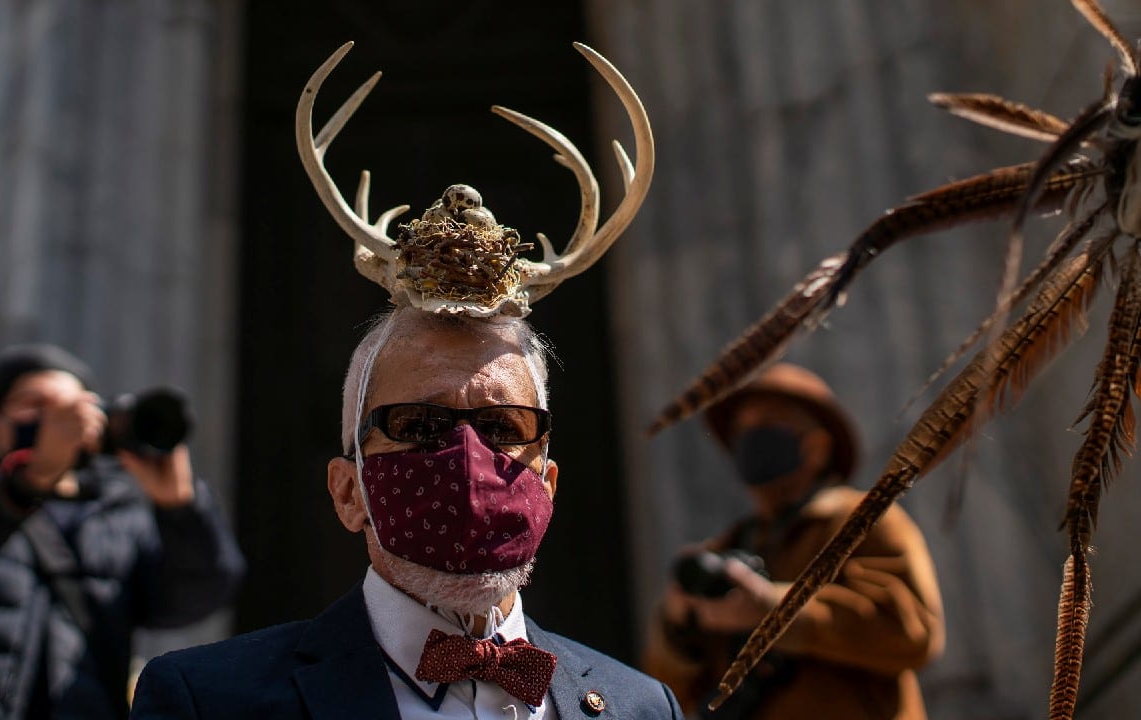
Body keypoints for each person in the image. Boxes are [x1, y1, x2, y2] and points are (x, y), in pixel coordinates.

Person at [130, 40, 677, 719]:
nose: (468, 460)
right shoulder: (207, 702)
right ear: (347, 489)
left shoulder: (641, 707)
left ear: (549, 481)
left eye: (504, 428)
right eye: (418, 426)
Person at [0, 343, 246, 719]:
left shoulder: (122, 520)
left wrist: (181, 510)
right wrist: (28, 482)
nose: (58, 419)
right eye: (35, 404)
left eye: (73, 407)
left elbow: (200, 597)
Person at [641, 363, 945, 719]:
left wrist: (772, 610)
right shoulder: (731, 545)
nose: (752, 441)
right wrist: (679, 627)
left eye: (768, 428)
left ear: (816, 448)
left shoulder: (865, 520)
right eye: (743, 431)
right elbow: (667, 692)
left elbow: (914, 634)